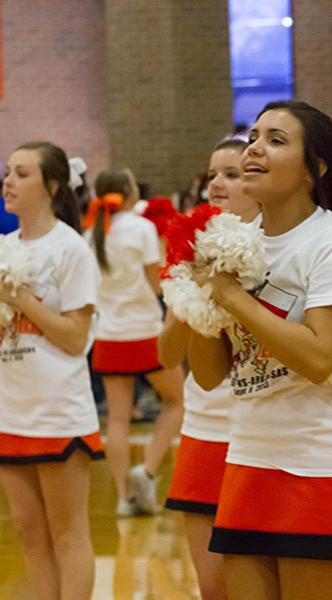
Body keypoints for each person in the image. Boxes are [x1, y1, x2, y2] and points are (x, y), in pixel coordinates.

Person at [188, 100, 332, 598]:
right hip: (249, 458)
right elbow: (208, 374)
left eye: (276, 140)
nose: (254, 148)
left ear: (315, 169)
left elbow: (318, 358)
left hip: (320, 464)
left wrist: (232, 297)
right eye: (254, 136)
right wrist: (198, 294)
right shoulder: (235, 240)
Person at [0, 141, 103, 599]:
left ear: (52, 185)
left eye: (21, 173)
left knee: (67, 534)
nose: (8, 181)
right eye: (7, 172)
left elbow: (76, 337)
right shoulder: (3, 248)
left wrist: (18, 299)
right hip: (10, 410)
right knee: (28, 533)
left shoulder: (71, 249)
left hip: (59, 411)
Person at [158, 139, 256, 600]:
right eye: (213, 174)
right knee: (213, 587)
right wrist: (190, 290)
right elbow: (165, 353)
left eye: (232, 174)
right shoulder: (188, 250)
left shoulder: (278, 250)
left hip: (263, 435)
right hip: (205, 429)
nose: (217, 183)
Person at [83, 168, 186, 518]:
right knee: (177, 402)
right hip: (144, 330)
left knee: (117, 420)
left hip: (108, 334)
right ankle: (148, 469)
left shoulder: (90, 232)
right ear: (128, 192)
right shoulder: (140, 229)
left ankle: (124, 498)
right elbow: (156, 284)